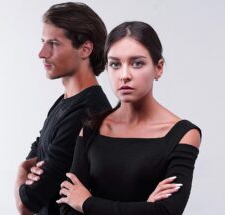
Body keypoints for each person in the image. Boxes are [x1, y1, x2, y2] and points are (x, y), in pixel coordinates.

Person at [56, 21, 202, 215]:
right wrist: (144, 208)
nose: (124, 75)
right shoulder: (92, 128)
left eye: (137, 63)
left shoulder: (183, 134)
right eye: (115, 64)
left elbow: (165, 212)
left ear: (158, 68)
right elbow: (67, 208)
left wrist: (86, 203)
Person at [14, 2, 112, 215]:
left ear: (85, 49)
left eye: (54, 43)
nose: (42, 53)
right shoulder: (65, 101)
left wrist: (22, 169)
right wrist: (30, 166)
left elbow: (27, 203)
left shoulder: (88, 111)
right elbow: (39, 148)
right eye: (43, 42)